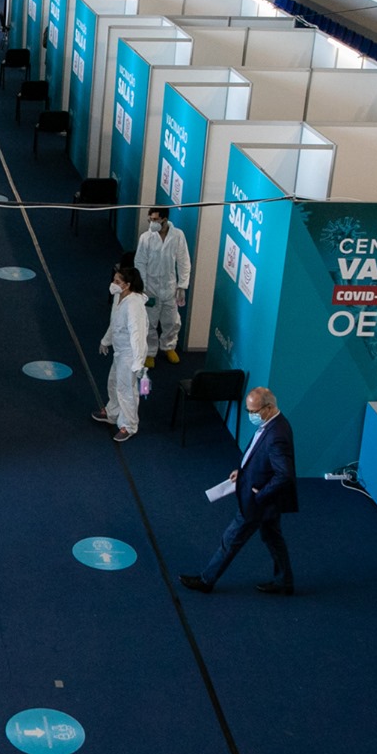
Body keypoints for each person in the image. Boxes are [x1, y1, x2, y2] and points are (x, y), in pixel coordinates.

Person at [183, 388, 298, 596]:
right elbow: (259, 457)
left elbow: (285, 474)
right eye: (248, 410)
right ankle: (284, 581)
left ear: (269, 407)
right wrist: (243, 472)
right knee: (273, 538)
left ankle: (206, 580)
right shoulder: (273, 424)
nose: (250, 415)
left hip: (259, 501)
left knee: (231, 538)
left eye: (254, 410)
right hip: (265, 500)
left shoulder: (276, 435)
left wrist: (260, 494)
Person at [95, 265, 150, 443]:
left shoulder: (134, 305)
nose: (113, 284)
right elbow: (115, 323)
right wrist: (106, 340)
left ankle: (129, 425)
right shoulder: (120, 297)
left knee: (126, 389)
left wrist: (138, 361)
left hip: (130, 354)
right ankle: (112, 412)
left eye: (117, 281)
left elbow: (137, 334)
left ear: (127, 285)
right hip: (120, 351)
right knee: (114, 382)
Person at [135, 208, 192, 366]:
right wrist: (142, 286)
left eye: (155, 220)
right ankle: (150, 352)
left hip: (169, 287)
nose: (152, 223)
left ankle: (168, 346)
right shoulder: (146, 238)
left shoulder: (178, 236)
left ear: (164, 220)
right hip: (150, 287)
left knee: (172, 321)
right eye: (150, 220)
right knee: (150, 322)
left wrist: (182, 286)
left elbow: (183, 261)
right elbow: (140, 263)